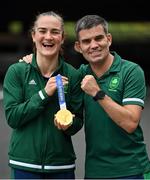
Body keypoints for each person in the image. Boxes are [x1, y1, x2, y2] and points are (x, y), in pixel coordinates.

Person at [19, 15, 150, 179]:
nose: (94, 45)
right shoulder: (79, 75)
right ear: (78, 47)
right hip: (94, 172)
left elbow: (130, 123)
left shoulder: (131, 71)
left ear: (108, 39)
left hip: (132, 170)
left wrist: (98, 93)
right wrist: (33, 61)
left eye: (99, 38)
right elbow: (50, 69)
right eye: (87, 41)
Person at [3, 11, 83, 179]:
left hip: (62, 166)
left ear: (62, 38)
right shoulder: (17, 72)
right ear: (33, 35)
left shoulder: (73, 75)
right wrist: (44, 94)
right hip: (24, 164)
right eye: (42, 31)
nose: (48, 36)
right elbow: (13, 117)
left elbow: (78, 122)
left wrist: (68, 124)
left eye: (55, 32)